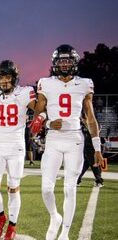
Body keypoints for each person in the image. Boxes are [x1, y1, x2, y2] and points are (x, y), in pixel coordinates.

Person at [31, 44, 104, 240]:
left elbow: (90, 117)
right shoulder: (45, 83)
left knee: (69, 188)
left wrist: (97, 148)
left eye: (68, 60)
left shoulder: (84, 83)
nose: (64, 64)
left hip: (75, 140)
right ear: (55, 63)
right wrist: (46, 121)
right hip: (54, 139)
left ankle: (65, 233)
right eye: (61, 61)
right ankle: (55, 217)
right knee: (46, 188)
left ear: (74, 63)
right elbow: (38, 112)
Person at [0, 60, 36, 240]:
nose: (4, 81)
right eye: (1, 77)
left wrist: (42, 116)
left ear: (14, 78)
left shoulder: (24, 93)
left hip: (16, 147)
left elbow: (38, 108)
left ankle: (12, 225)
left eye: (8, 77)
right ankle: (1, 217)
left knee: (13, 188)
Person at [77, 118, 104, 187]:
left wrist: (86, 124)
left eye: (83, 119)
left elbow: (96, 131)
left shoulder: (95, 123)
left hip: (93, 148)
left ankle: (99, 181)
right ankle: (77, 180)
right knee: (84, 165)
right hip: (85, 147)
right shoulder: (82, 126)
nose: (82, 120)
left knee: (94, 165)